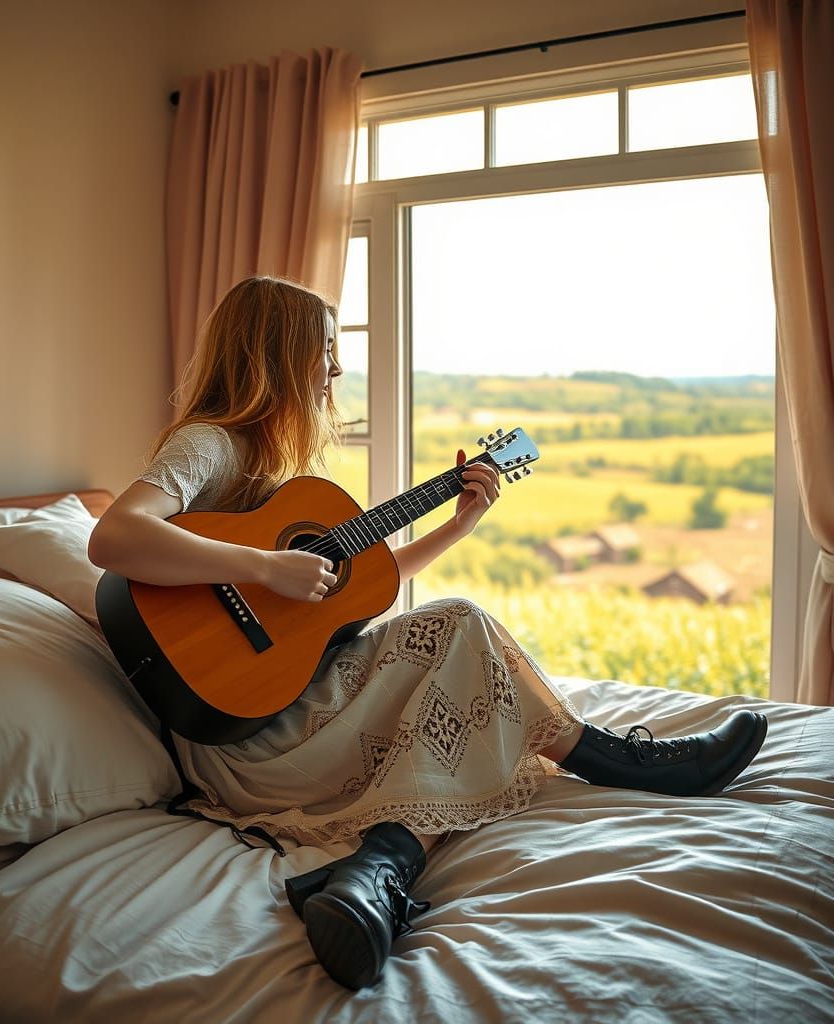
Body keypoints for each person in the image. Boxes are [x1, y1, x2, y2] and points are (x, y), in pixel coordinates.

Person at [87, 275, 768, 991]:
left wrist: (457, 524)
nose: (337, 370)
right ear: (282, 353)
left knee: (458, 668)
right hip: (238, 733)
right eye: (325, 349)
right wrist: (263, 566)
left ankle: (375, 877)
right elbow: (115, 538)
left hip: (280, 697)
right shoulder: (210, 445)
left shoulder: (274, 468)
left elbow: (356, 592)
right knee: (462, 629)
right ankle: (612, 760)